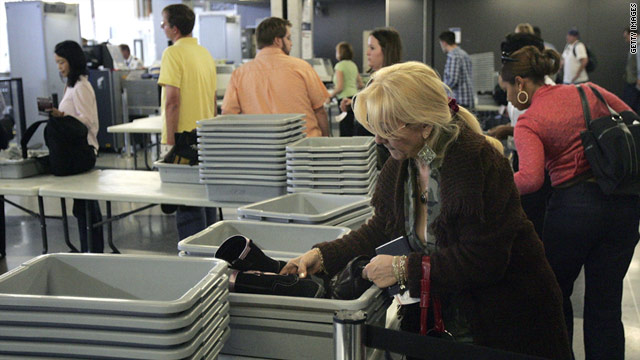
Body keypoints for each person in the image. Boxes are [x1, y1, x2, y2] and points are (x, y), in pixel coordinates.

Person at [281, 61, 570, 360]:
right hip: (443, 322)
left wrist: (402, 269)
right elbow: (383, 226)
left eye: (386, 129)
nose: (378, 139)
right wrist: (323, 256)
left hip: (503, 323)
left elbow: (484, 260)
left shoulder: (477, 162)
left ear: (424, 124)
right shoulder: (408, 158)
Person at [501, 45, 640, 360]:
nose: (507, 98)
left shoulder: (530, 120)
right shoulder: (588, 90)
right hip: (624, 206)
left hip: (574, 212)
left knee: (555, 295)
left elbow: (531, 179)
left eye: (506, 89)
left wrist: (491, 183)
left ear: (520, 83)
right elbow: (631, 119)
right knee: (605, 304)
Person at [158, 4, 218, 239]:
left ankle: (195, 260)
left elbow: (172, 101)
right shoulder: (204, 53)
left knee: (186, 205)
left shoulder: (172, 54)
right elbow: (213, 100)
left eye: (164, 23)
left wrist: (170, 145)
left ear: (174, 28)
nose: (162, 27)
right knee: (205, 199)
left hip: (182, 140)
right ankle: (213, 253)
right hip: (203, 138)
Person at [222, 17, 330, 137]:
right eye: (288, 38)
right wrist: (325, 141)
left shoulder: (239, 74)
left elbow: (229, 115)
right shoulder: (302, 67)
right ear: (277, 41)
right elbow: (319, 111)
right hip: (302, 147)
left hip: (263, 148)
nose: (291, 43)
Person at [48, 40, 103, 253]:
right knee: (82, 206)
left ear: (72, 61)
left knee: (86, 207)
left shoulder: (81, 86)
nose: (60, 67)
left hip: (85, 149)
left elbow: (89, 121)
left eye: (62, 62)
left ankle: (93, 249)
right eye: (57, 63)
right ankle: (89, 248)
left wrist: (63, 116)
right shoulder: (70, 86)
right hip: (74, 149)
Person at [339, 27, 402, 137]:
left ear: (386, 50)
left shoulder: (393, 81)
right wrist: (353, 104)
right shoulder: (375, 78)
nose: (367, 52)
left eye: (372, 48)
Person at [329, 41, 363, 137]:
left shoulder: (340, 65)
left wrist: (329, 96)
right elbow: (360, 84)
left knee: (344, 129)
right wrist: (351, 87)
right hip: (353, 98)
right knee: (351, 127)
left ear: (340, 52)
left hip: (344, 100)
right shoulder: (353, 65)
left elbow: (340, 87)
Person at [438, 31, 474, 108]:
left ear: (444, 43)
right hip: (467, 100)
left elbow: (452, 80)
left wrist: (439, 89)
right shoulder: (464, 54)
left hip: (458, 102)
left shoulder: (453, 56)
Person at [622, 27, 640, 112]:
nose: (626, 40)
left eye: (626, 37)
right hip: (633, 80)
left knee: (631, 105)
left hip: (635, 81)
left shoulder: (638, 45)